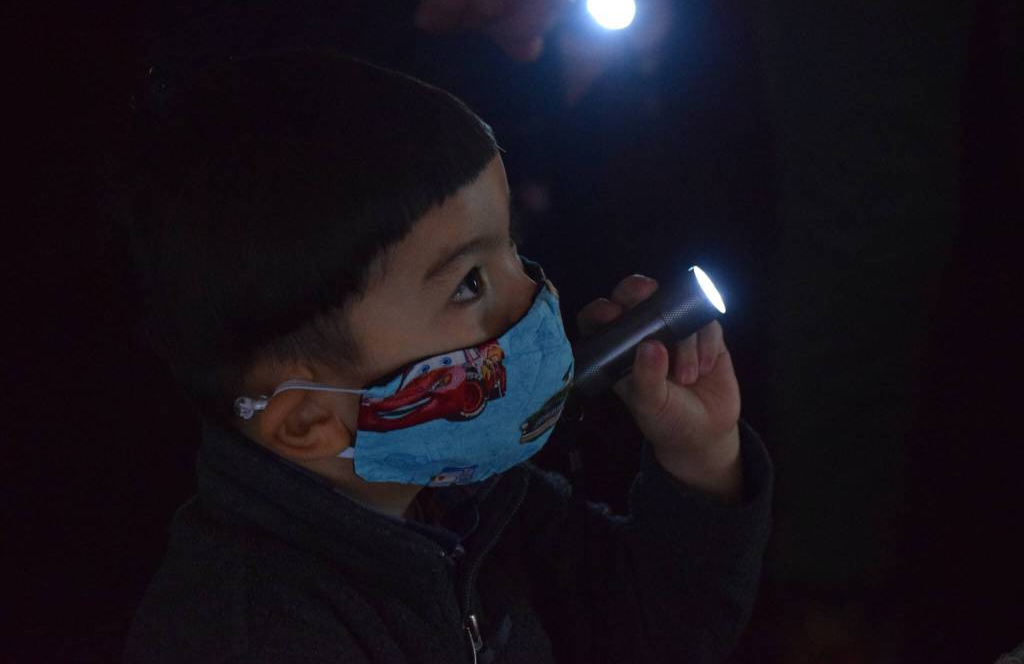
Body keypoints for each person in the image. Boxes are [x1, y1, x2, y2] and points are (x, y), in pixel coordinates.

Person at [119, 48, 772, 663]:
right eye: (469, 284)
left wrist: (701, 458)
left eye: (512, 245)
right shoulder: (254, 637)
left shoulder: (475, 498)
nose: (535, 296)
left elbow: (650, 637)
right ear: (309, 421)